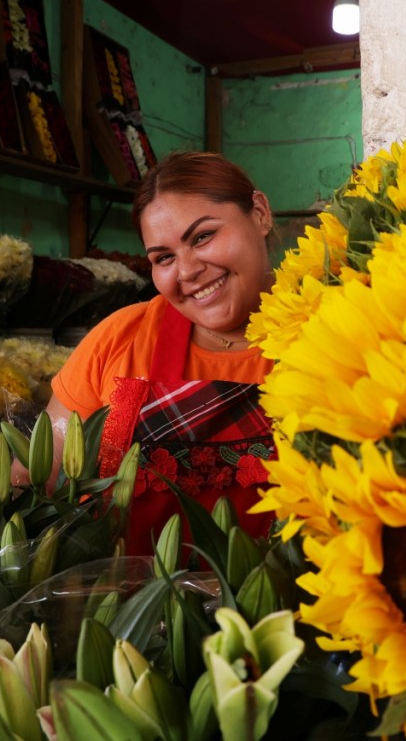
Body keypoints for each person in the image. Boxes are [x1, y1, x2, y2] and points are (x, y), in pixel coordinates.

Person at [19, 151, 278, 555]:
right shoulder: (120, 338)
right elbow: (41, 475)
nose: (188, 270)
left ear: (260, 213)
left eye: (203, 236)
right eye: (164, 258)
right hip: (132, 611)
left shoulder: (336, 333)